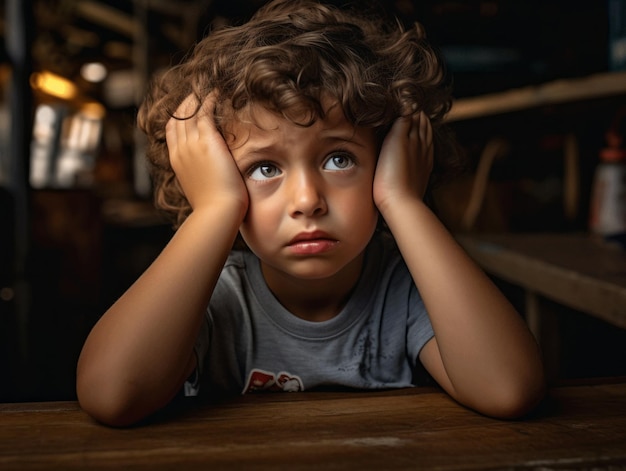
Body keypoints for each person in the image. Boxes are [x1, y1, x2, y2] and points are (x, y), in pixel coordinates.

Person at [76, 0, 545, 427]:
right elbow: (111, 395)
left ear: (389, 162)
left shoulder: (406, 293)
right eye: (263, 168)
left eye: (339, 159)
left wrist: (404, 201)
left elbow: (509, 389)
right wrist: (215, 210)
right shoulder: (214, 299)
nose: (307, 200)